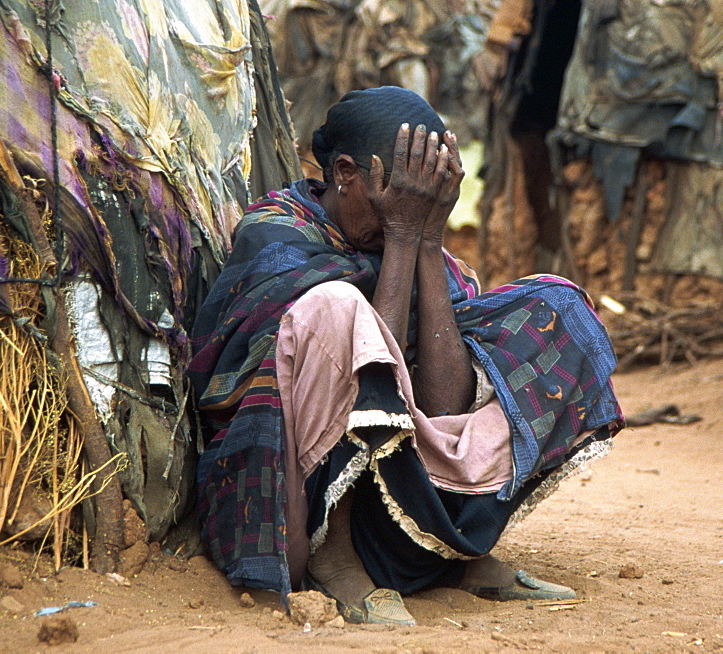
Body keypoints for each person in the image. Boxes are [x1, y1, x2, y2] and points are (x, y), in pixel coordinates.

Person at [187, 86, 622, 626]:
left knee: (555, 304)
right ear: (345, 172)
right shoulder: (277, 233)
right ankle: (335, 561)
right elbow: (367, 362)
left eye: (429, 198)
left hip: (399, 504)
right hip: (293, 502)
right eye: (400, 195)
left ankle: (449, 551)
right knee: (337, 307)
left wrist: (425, 239)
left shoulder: (419, 236)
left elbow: (447, 406)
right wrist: (401, 237)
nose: (410, 210)